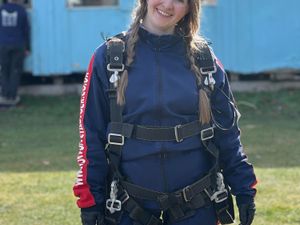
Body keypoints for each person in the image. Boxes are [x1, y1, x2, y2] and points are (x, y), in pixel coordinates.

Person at [73, 1, 257, 225]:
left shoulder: (205, 61)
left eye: (180, 0)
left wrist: (244, 189)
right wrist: (90, 201)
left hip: (198, 205)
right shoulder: (109, 58)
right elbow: (91, 135)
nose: (168, 4)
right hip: (128, 207)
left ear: (190, 7)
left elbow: (228, 135)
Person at [0, 0, 30, 106]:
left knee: (4, 71)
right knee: (15, 71)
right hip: (18, 45)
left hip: (3, 45)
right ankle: (12, 97)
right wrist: (27, 48)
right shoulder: (21, 10)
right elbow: (26, 30)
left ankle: (4, 96)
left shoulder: (1, 9)